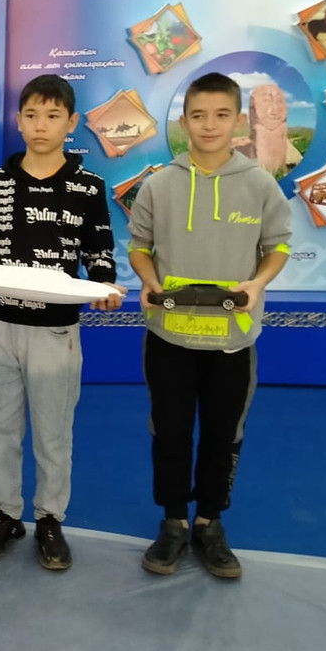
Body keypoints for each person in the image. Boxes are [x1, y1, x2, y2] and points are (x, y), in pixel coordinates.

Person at [128, 72, 291, 579]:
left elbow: (277, 246)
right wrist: (148, 279)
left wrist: (258, 283)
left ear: (238, 120)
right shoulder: (160, 184)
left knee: (224, 433)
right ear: (184, 122)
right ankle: (173, 521)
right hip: (169, 336)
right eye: (198, 115)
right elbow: (139, 246)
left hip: (232, 341)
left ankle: (209, 523)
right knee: (170, 432)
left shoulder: (260, 183)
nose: (210, 125)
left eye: (222, 115)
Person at [0, 74, 124, 570]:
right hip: (0, 325)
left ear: (71, 123)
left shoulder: (88, 186)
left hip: (57, 331)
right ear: (18, 120)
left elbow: (100, 252)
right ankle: (5, 514)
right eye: (31, 115)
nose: (41, 125)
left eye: (53, 116)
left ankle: (50, 519)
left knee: (53, 432)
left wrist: (104, 287)